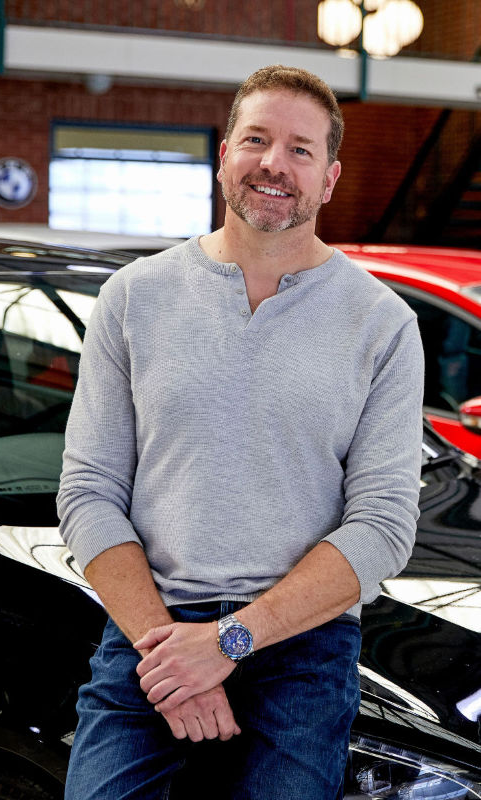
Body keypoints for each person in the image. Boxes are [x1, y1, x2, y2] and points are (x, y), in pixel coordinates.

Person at [57, 64, 424, 800]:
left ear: (328, 178)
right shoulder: (133, 297)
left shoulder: (382, 323)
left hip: (302, 645)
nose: (273, 164)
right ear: (224, 154)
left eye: (300, 149)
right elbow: (89, 493)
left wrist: (228, 643)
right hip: (149, 630)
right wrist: (171, 656)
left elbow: (382, 525)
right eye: (256, 139)